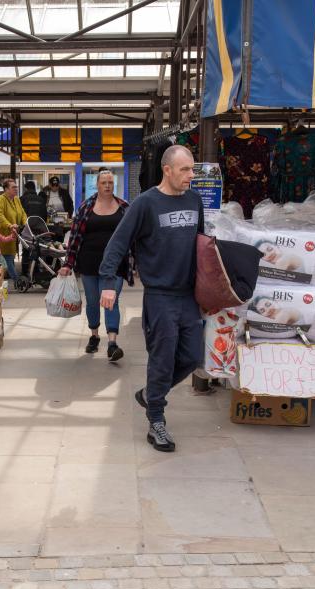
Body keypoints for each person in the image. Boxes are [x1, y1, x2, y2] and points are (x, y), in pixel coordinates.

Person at [99, 145, 205, 453]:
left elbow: (201, 246)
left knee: (192, 357)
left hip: (189, 295)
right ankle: (156, 418)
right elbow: (118, 244)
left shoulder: (195, 201)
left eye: (192, 169)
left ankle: (150, 394)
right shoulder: (145, 204)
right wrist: (108, 282)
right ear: (167, 170)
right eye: (185, 170)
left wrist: (211, 287)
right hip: (160, 296)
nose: (191, 175)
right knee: (162, 359)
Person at [60, 170, 133, 362]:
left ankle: (112, 343)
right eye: (104, 183)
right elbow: (75, 238)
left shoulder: (124, 207)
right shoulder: (85, 207)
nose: (108, 186)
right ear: (97, 185)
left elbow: (133, 236)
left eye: (110, 182)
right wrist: (68, 263)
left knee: (112, 301)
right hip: (89, 263)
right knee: (93, 302)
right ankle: (94, 335)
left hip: (115, 265)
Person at [0, 178, 27, 286]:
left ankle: (9, 279)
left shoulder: (16, 199)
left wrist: (26, 223)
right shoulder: (1, 199)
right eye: (13, 187)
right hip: (4, 234)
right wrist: (9, 225)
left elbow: (22, 213)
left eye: (16, 187)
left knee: (10, 257)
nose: (16, 189)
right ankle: (17, 280)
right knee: (8, 258)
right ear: (6, 189)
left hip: (14, 234)